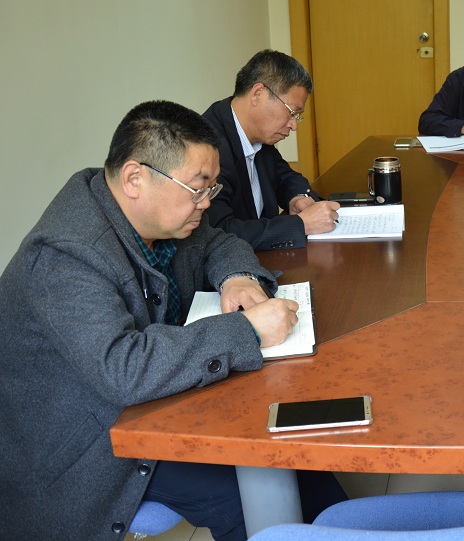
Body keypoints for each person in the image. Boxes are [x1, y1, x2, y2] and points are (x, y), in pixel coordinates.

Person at [0, 101, 306, 540]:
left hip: (149, 407)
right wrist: (249, 330)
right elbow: (124, 369)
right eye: (197, 189)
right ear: (134, 179)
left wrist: (237, 277)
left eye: (212, 188)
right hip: (84, 448)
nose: (206, 203)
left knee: (298, 469)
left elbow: (218, 242)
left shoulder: (155, 212)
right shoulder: (66, 256)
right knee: (251, 489)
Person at [203, 49, 340, 251]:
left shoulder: (258, 133)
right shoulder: (208, 147)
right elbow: (219, 231)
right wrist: (300, 225)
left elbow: (284, 176)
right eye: (292, 113)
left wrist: (297, 198)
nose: (294, 125)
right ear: (258, 94)